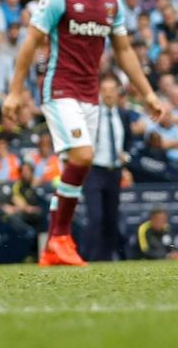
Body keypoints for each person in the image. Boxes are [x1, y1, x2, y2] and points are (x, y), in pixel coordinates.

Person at [4, 0, 171, 267]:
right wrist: (15, 91)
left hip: (90, 96)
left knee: (75, 167)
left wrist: (149, 93)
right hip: (59, 90)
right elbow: (30, 43)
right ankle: (61, 237)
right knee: (83, 156)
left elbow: (123, 51)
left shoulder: (111, 2)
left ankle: (53, 245)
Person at [83, 74, 131, 262]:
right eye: (105, 90)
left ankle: (105, 259)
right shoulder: (92, 115)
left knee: (111, 218)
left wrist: (126, 157)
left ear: (118, 92)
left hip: (115, 171)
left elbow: (128, 144)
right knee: (95, 216)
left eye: (112, 90)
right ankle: (86, 257)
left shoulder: (123, 115)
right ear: (99, 92)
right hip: (94, 170)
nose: (109, 94)